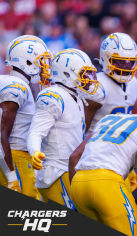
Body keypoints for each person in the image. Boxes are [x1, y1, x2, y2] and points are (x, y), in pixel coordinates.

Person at [69, 101, 137, 236]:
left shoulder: (109, 119)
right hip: (106, 184)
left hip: (78, 184)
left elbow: (74, 157)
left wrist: (75, 194)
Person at [27, 48, 98, 208]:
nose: (88, 78)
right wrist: (35, 152)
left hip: (69, 169)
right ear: (67, 74)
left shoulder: (76, 97)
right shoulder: (54, 96)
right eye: (84, 74)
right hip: (56, 172)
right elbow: (36, 132)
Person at [0, 35, 52, 198]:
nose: (45, 67)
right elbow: (1, 135)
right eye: (41, 61)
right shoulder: (17, 87)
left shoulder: (15, 84)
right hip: (15, 159)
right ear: (27, 62)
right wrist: (11, 177)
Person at [83, 32, 137, 134]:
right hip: (94, 146)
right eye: (119, 62)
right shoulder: (97, 87)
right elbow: (81, 132)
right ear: (106, 58)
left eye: (130, 62)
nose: (125, 67)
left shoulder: (134, 83)